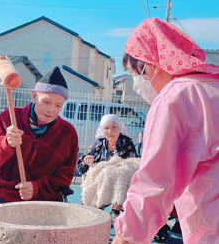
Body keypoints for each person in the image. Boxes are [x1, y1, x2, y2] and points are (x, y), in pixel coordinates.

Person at [112, 18, 219, 244]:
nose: (137, 83)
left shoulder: (177, 97)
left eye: (134, 73)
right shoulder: (211, 86)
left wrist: (124, 237)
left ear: (148, 65)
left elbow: (153, 184)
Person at [0, 66, 78, 204]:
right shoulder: (9, 118)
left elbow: (64, 177)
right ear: (34, 96)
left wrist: (36, 187)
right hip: (3, 194)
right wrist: (5, 144)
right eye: (46, 102)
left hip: (44, 200)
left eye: (58, 105)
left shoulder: (67, 133)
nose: (51, 110)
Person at [77, 114, 138, 221]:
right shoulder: (99, 144)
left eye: (114, 127)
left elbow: (133, 163)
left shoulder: (127, 143)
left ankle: (116, 208)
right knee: (99, 174)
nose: (110, 131)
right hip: (103, 177)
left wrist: (119, 164)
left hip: (119, 177)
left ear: (120, 129)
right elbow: (84, 160)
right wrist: (87, 158)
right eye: (106, 128)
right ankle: (98, 206)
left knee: (120, 173)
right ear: (102, 130)